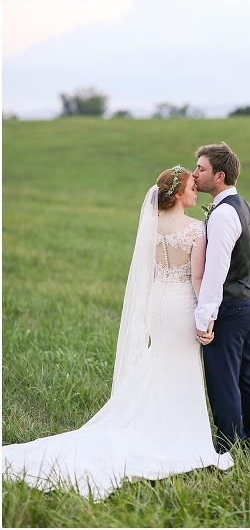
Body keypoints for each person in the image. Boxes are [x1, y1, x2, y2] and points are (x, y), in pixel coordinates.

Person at [2, 166, 234, 500]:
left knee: (160, 361)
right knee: (179, 367)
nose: (196, 191)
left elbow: (150, 273)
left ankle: (149, 419)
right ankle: (175, 433)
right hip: (181, 306)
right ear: (179, 193)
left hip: (157, 305)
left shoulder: (151, 227)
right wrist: (206, 317)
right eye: (191, 188)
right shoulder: (196, 229)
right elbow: (198, 279)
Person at [192, 142, 250, 452]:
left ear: (219, 176)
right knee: (248, 372)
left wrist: (205, 316)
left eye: (201, 169)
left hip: (231, 306)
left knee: (223, 379)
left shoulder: (223, 215)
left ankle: (227, 446)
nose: (195, 173)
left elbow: (216, 270)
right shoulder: (246, 207)